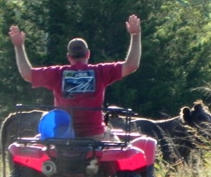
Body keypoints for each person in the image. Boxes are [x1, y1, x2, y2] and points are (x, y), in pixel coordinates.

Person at [8, 15, 141, 139]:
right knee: (117, 142)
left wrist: (19, 46)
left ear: (69, 57)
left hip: (63, 136)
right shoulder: (100, 72)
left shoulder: (57, 73)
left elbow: (27, 74)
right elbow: (131, 65)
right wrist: (135, 35)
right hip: (95, 135)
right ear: (88, 54)